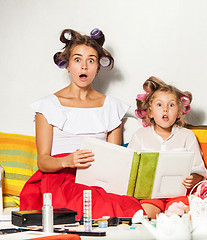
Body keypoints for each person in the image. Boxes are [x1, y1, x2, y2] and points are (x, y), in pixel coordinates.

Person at [20, 28, 142, 221]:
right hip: (60, 178)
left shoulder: (112, 107)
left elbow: (113, 160)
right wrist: (67, 161)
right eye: (77, 60)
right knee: (89, 203)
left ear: (98, 67)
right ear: (67, 65)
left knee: (128, 204)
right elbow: (43, 161)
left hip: (97, 178)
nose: (84, 66)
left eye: (91, 60)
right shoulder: (47, 106)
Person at [128, 76, 207, 219]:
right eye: (159, 105)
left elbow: (199, 169)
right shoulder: (140, 136)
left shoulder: (187, 136)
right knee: (144, 216)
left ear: (178, 113)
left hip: (179, 194)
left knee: (182, 216)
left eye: (171, 105)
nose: (165, 109)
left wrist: (193, 178)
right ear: (150, 112)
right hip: (150, 196)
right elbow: (128, 166)